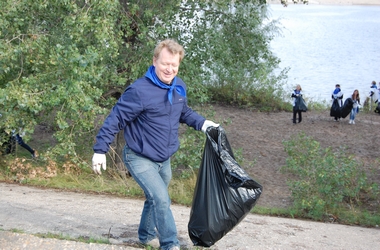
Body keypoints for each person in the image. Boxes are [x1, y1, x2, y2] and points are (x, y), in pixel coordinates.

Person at [91, 39, 219, 250]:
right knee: (161, 200)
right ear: (154, 61)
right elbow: (116, 118)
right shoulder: (139, 91)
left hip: (164, 158)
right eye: (165, 64)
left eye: (174, 65)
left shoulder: (179, 86)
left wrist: (204, 124)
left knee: (154, 199)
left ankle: (145, 236)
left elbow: (183, 112)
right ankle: (170, 244)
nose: (169, 69)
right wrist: (100, 149)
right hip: (139, 157)